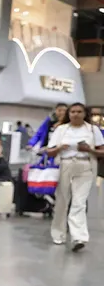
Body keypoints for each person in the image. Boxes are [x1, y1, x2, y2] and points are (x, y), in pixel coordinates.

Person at [44, 102, 104, 252]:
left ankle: (79, 237)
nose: (75, 114)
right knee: (62, 201)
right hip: (65, 164)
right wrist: (59, 148)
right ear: (68, 114)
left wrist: (88, 149)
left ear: (85, 114)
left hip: (85, 166)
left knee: (79, 202)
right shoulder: (61, 130)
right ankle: (58, 234)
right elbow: (49, 151)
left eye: (79, 112)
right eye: (73, 112)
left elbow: (102, 152)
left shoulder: (92, 130)